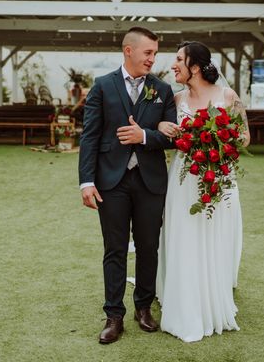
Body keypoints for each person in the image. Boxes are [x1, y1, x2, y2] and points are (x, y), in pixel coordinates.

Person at [78, 27, 176, 344]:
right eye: (148, 52)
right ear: (128, 50)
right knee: (115, 250)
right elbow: (90, 136)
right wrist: (87, 182)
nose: (153, 59)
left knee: (149, 246)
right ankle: (114, 316)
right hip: (111, 182)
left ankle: (143, 308)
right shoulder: (102, 86)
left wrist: (144, 136)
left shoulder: (162, 89)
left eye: (155, 54)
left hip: (150, 181)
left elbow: (172, 136)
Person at [156, 41, 250, 342]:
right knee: (184, 233)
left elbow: (245, 137)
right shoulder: (175, 99)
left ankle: (213, 293)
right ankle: (183, 296)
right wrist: (162, 126)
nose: (174, 65)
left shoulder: (228, 96)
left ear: (195, 66)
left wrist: (218, 143)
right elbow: (165, 130)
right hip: (185, 180)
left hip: (219, 177)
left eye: (179, 60)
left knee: (215, 234)